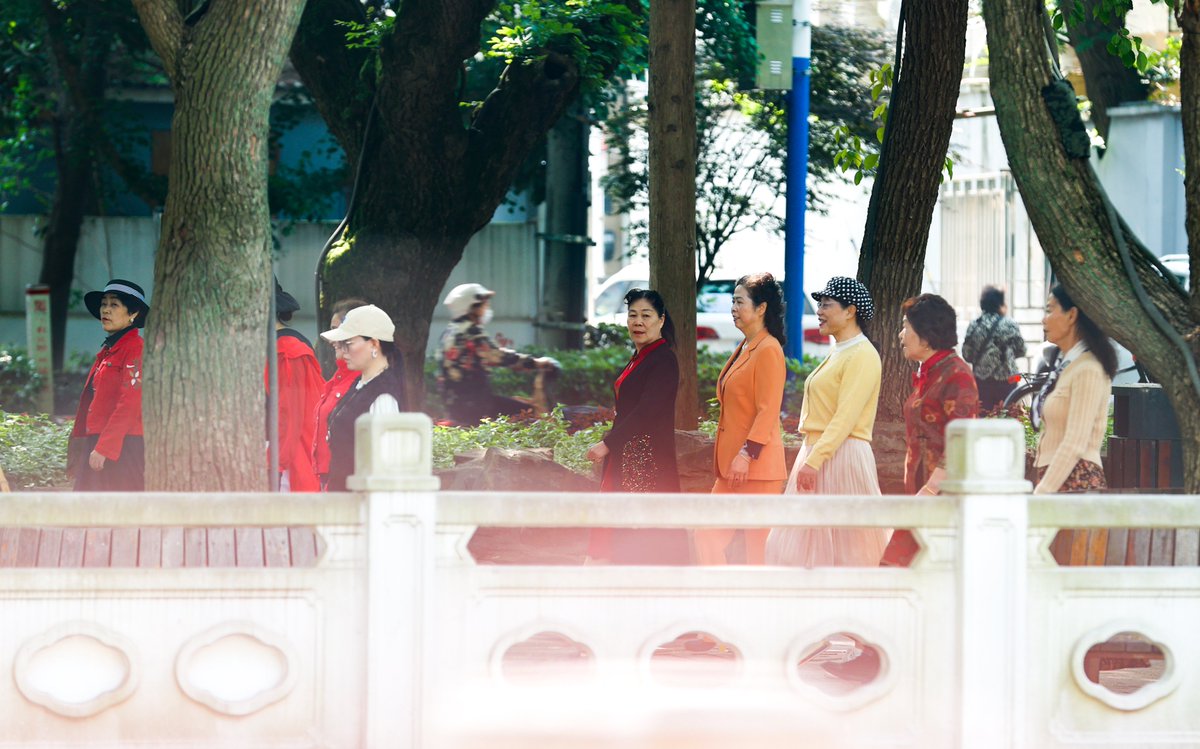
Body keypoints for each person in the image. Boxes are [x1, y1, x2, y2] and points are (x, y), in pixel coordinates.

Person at [766, 277, 889, 568]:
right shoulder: (841, 350)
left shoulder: (862, 354)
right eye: (819, 304)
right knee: (798, 544)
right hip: (820, 453)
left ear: (850, 311)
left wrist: (814, 460)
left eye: (827, 304)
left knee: (848, 548)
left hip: (840, 455)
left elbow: (845, 418)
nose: (819, 311)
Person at [584, 289, 687, 564]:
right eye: (632, 315)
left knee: (642, 532)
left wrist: (608, 443)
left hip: (647, 462)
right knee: (625, 528)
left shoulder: (663, 359)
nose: (638, 322)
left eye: (646, 315)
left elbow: (647, 411)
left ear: (661, 320)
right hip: (630, 456)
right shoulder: (641, 355)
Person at [694, 272, 788, 566]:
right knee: (705, 532)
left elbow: (768, 409)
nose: (733, 307)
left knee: (757, 552)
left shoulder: (769, 349)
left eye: (739, 301)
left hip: (757, 468)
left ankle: (759, 609)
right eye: (731, 301)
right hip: (732, 469)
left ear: (761, 308)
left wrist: (747, 454)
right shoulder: (746, 346)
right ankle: (720, 599)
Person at [881, 294, 979, 566]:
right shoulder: (931, 372)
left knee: (902, 572)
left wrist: (931, 490)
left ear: (925, 336)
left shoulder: (957, 375)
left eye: (905, 327)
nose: (901, 335)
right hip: (920, 493)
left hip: (941, 499)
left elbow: (962, 440)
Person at [1033, 284, 1117, 495]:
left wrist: (1043, 492)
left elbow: (1075, 443)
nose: (1044, 319)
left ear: (1072, 315)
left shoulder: (1088, 369)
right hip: (1059, 480)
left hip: (1076, 482)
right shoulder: (1068, 366)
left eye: (1050, 309)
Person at [437, 283, 558, 425]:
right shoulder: (471, 331)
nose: (486, 307)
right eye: (483, 303)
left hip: (455, 403)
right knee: (529, 414)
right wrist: (535, 363)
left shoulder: (450, 332)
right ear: (472, 307)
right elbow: (497, 356)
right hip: (475, 403)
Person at [69, 279, 149, 491]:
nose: (106, 310)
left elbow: (131, 402)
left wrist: (105, 447)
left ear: (133, 314)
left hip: (123, 447)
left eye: (114, 305)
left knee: (121, 517)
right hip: (100, 442)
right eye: (104, 304)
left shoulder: (135, 349)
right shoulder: (109, 349)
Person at [320, 304, 406, 492]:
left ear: (374, 344)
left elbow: (387, 464)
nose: (343, 351)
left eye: (348, 343)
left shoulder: (383, 394)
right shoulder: (361, 383)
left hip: (361, 508)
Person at [269, 279, 323, 492]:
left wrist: (274, 465)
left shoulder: (288, 350)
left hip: (290, 465)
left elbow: (289, 419)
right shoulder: (280, 347)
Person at [312, 297, 368, 490]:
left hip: (345, 480)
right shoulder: (339, 378)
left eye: (339, 331)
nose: (331, 340)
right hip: (328, 477)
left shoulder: (365, 381)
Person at [962, 285, 1027, 413]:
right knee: (1007, 419)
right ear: (1000, 303)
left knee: (984, 419)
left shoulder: (975, 325)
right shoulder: (1009, 324)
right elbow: (1022, 350)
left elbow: (966, 354)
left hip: (981, 383)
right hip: (1007, 383)